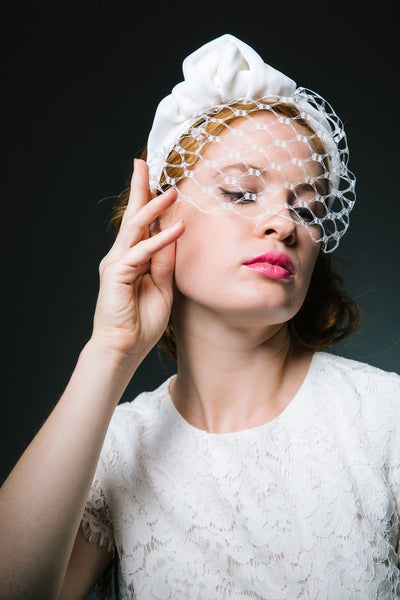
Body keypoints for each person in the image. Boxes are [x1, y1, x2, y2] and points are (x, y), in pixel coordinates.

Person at [0, 34, 399, 600]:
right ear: (157, 222)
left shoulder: (385, 420)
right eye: (241, 193)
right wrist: (110, 351)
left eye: (307, 208)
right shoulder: (114, 449)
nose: (283, 224)